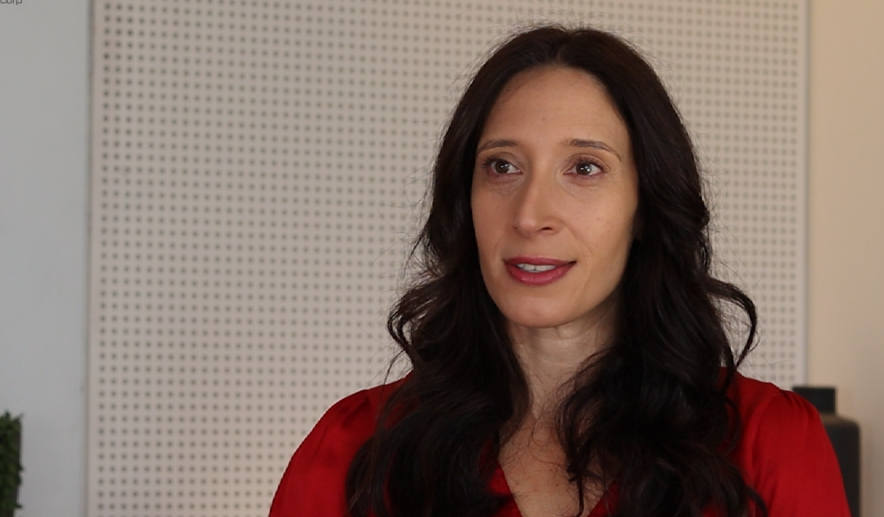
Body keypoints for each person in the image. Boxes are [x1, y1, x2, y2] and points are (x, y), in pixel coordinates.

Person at [269, 26, 850, 517]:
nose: (529, 215)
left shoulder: (770, 443)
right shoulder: (352, 450)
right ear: (464, 201)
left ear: (644, 206)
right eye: (502, 166)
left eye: (584, 167)